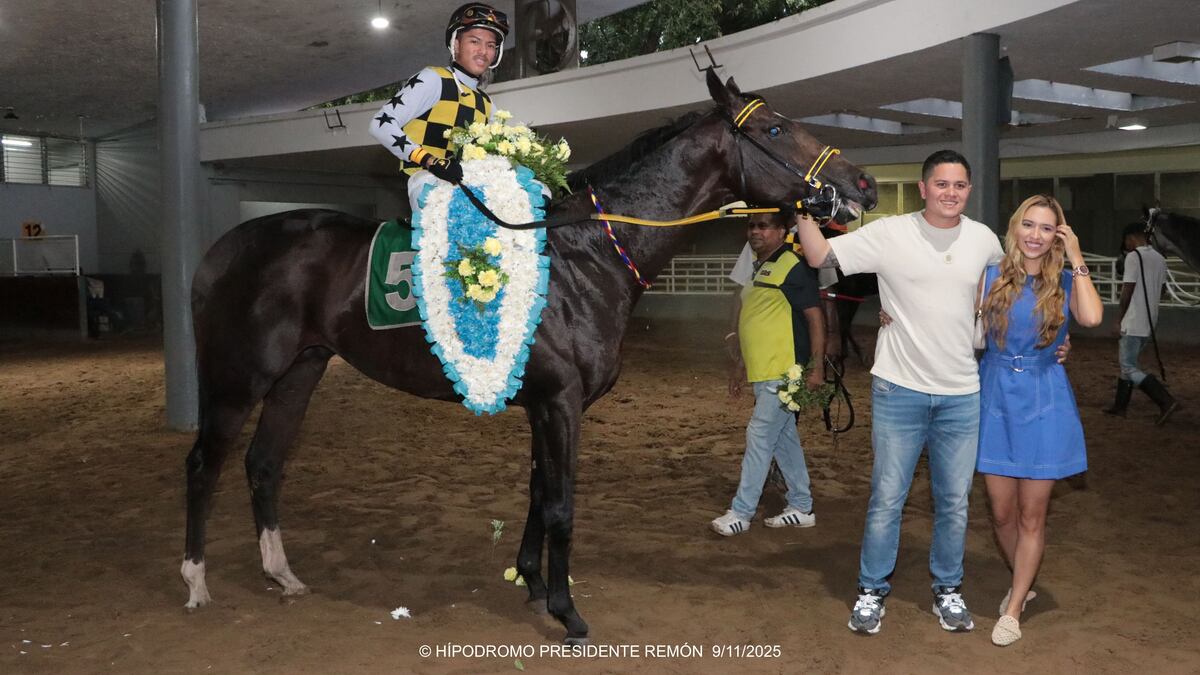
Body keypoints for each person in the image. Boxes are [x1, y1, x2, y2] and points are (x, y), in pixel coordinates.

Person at [794, 149, 1006, 635]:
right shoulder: (890, 233)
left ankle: (948, 589)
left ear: (968, 191)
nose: (950, 193)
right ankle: (871, 590)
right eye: (941, 184)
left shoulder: (984, 241)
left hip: (961, 394)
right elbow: (820, 255)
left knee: (954, 501)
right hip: (899, 390)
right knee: (887, 497)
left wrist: (1053, 342)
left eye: (959, 185)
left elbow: (1006, 298)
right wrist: (804, 213)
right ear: (923, 188)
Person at [973, 195, 1103, 647]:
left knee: (1032, 514)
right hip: (994, 398)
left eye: (1046, 228)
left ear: (1057, 236)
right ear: (1015, 228)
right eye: (1028, 225)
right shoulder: (989, 275)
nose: (1035, 235)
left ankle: (1014, 607)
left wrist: (1078, 257)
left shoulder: (1067, 280)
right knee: (1002, 513)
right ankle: (1022, 582)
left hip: (1045, 401)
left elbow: (1090, 317)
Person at [711, 213, 825, 536]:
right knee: (783, 440)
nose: (756, 231)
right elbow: (756, 320)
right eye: (752, 226)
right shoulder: (758, 268)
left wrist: (815, 367)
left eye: (764, 225)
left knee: (760, 435)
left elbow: (815, 319)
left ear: (780, 232)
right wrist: (740, 366)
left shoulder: (792, 265)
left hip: (784, 372)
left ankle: (741, 512)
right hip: (763, 372)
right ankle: (802, 506)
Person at [368, 3, 508, 213]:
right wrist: (430, 161)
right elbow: (380, 124)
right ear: (456, 44)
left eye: (490, 45)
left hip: (470, 187)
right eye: (475, 41)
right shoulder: (433, 78)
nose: (483, 51)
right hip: (425, 180)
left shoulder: (488, 103)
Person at [1101, 223, 1180, 424]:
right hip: (1150, 322)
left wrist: (1118, 319)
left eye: (1126, 241)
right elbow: (1162, 291)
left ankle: (1165, 400)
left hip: (1133, 320)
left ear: (1130, 238)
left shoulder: (1134, 257)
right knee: (1129, 364)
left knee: (1128, 367)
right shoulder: (1160, 259)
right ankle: (1120, 407)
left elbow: (1127, 289)